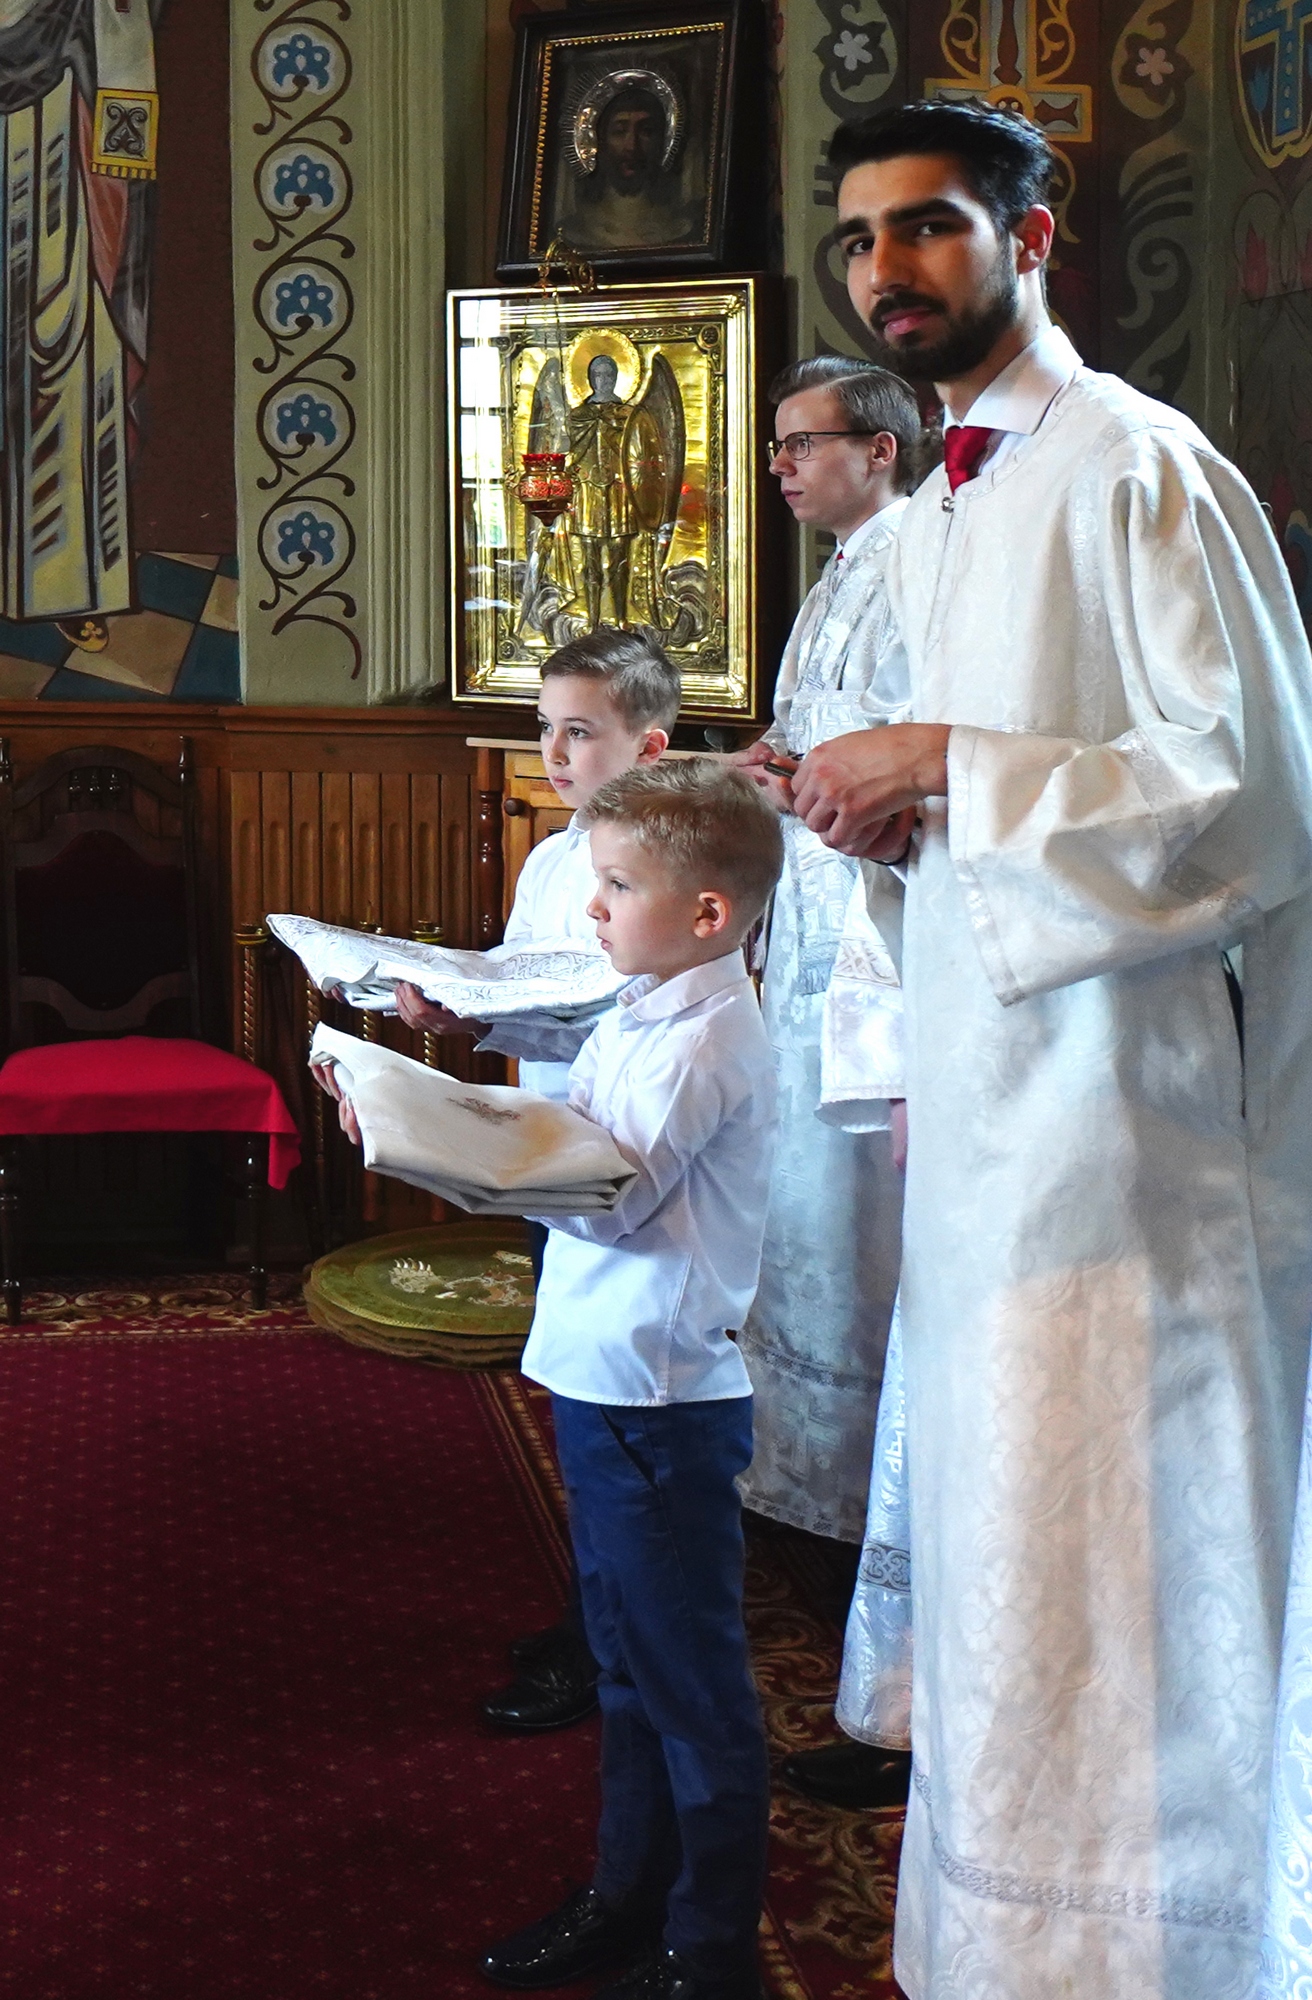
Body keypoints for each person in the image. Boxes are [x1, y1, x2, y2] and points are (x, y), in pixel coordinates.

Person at [790, 98, 1312, 1999]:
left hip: (1143, 1145)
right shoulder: (952, 496)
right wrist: (871, 814)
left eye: (925, 228)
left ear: (1032, 232)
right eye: (857, 239)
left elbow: (1250, 801)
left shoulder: (1137, 473)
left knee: (1136, 1586)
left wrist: (938, 766)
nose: (883, 271)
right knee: (1015, 1585)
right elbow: (979, 807)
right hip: (999, 1133)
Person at [480, 761, 783, 2000]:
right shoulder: (645, 1005)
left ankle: (709, 1955)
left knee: (690, 1684)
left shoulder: (706, 1033)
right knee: (622, 1664)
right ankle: (629, 1891)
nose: (590, 906)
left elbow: (603, 1195)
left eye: (615, 884)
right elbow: (573, 1131)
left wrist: (449, 1151)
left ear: (708, 912)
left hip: (660, 1399)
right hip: (602, 1376)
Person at [397, 626, 681, 1736]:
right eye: (544, 729)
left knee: (614, 1421)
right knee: (569, 1395)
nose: (555, 753)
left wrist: (494, 1008)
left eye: (580, 731)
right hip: (545, 1144)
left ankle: (603, 1652)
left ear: (648, 747)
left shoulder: (662, 866)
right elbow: (533, 986)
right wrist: (454, 1005)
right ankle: (586, 1618)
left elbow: (627, 999)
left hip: (617, 1157)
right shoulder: (556, 855)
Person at [731, 355, 918, 1811]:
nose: (781, 469)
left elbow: (911, 775)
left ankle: (860, 1532)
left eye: (803, 445)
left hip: (884, 967)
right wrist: (781, 768)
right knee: (803, 1232)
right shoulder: (847, 565)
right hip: (811, 940)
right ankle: (817, 1525)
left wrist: (823, 784)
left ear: (883, 447)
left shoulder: (921, 566)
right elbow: (832, 753)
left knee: (861, 1252)